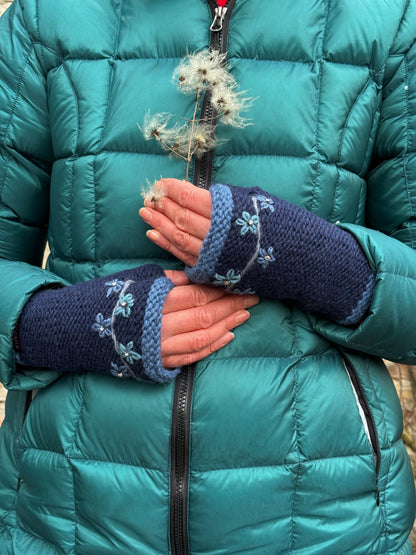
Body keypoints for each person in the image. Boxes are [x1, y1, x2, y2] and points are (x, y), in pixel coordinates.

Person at [0, 0, 415, 553]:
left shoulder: (387, 20)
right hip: (70, 515)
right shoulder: (45, 16)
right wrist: (69, 325)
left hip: (322, 521)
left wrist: (306, 256)